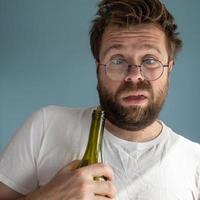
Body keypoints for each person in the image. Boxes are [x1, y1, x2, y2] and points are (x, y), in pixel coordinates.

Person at [0, 0, 199, 199]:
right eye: (117, 60)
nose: (134, 75)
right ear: (98, 67)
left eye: (150, 60)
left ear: (169, 68)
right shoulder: (44, 126)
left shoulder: (195, 161)